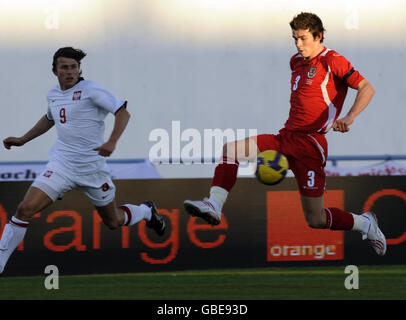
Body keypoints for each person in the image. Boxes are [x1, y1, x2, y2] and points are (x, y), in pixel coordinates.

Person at [184, 12, 386, 256]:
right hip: (285, 138)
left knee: (316, 218)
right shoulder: (296, 61)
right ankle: (214, 206)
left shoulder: (333, 60)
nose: (298, 45)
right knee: (230, 150)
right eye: (295, 39)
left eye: (303, 39)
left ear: (318, 36)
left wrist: (350, 116)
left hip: (311, 145)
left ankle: (365, 223)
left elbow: (367, 87)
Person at [0, 47, 165, 274]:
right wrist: (23, 139)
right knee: (25, 209)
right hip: (61, 166)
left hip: (92, 170)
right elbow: (50, 118)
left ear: (79, 69)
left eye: (74, 67)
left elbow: (123, 112)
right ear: (54, 71)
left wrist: (112, 141)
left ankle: (146, 212)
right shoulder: (53, 95)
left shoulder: (91, 90)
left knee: (113, 222)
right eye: (64, 67)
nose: (70, 72)